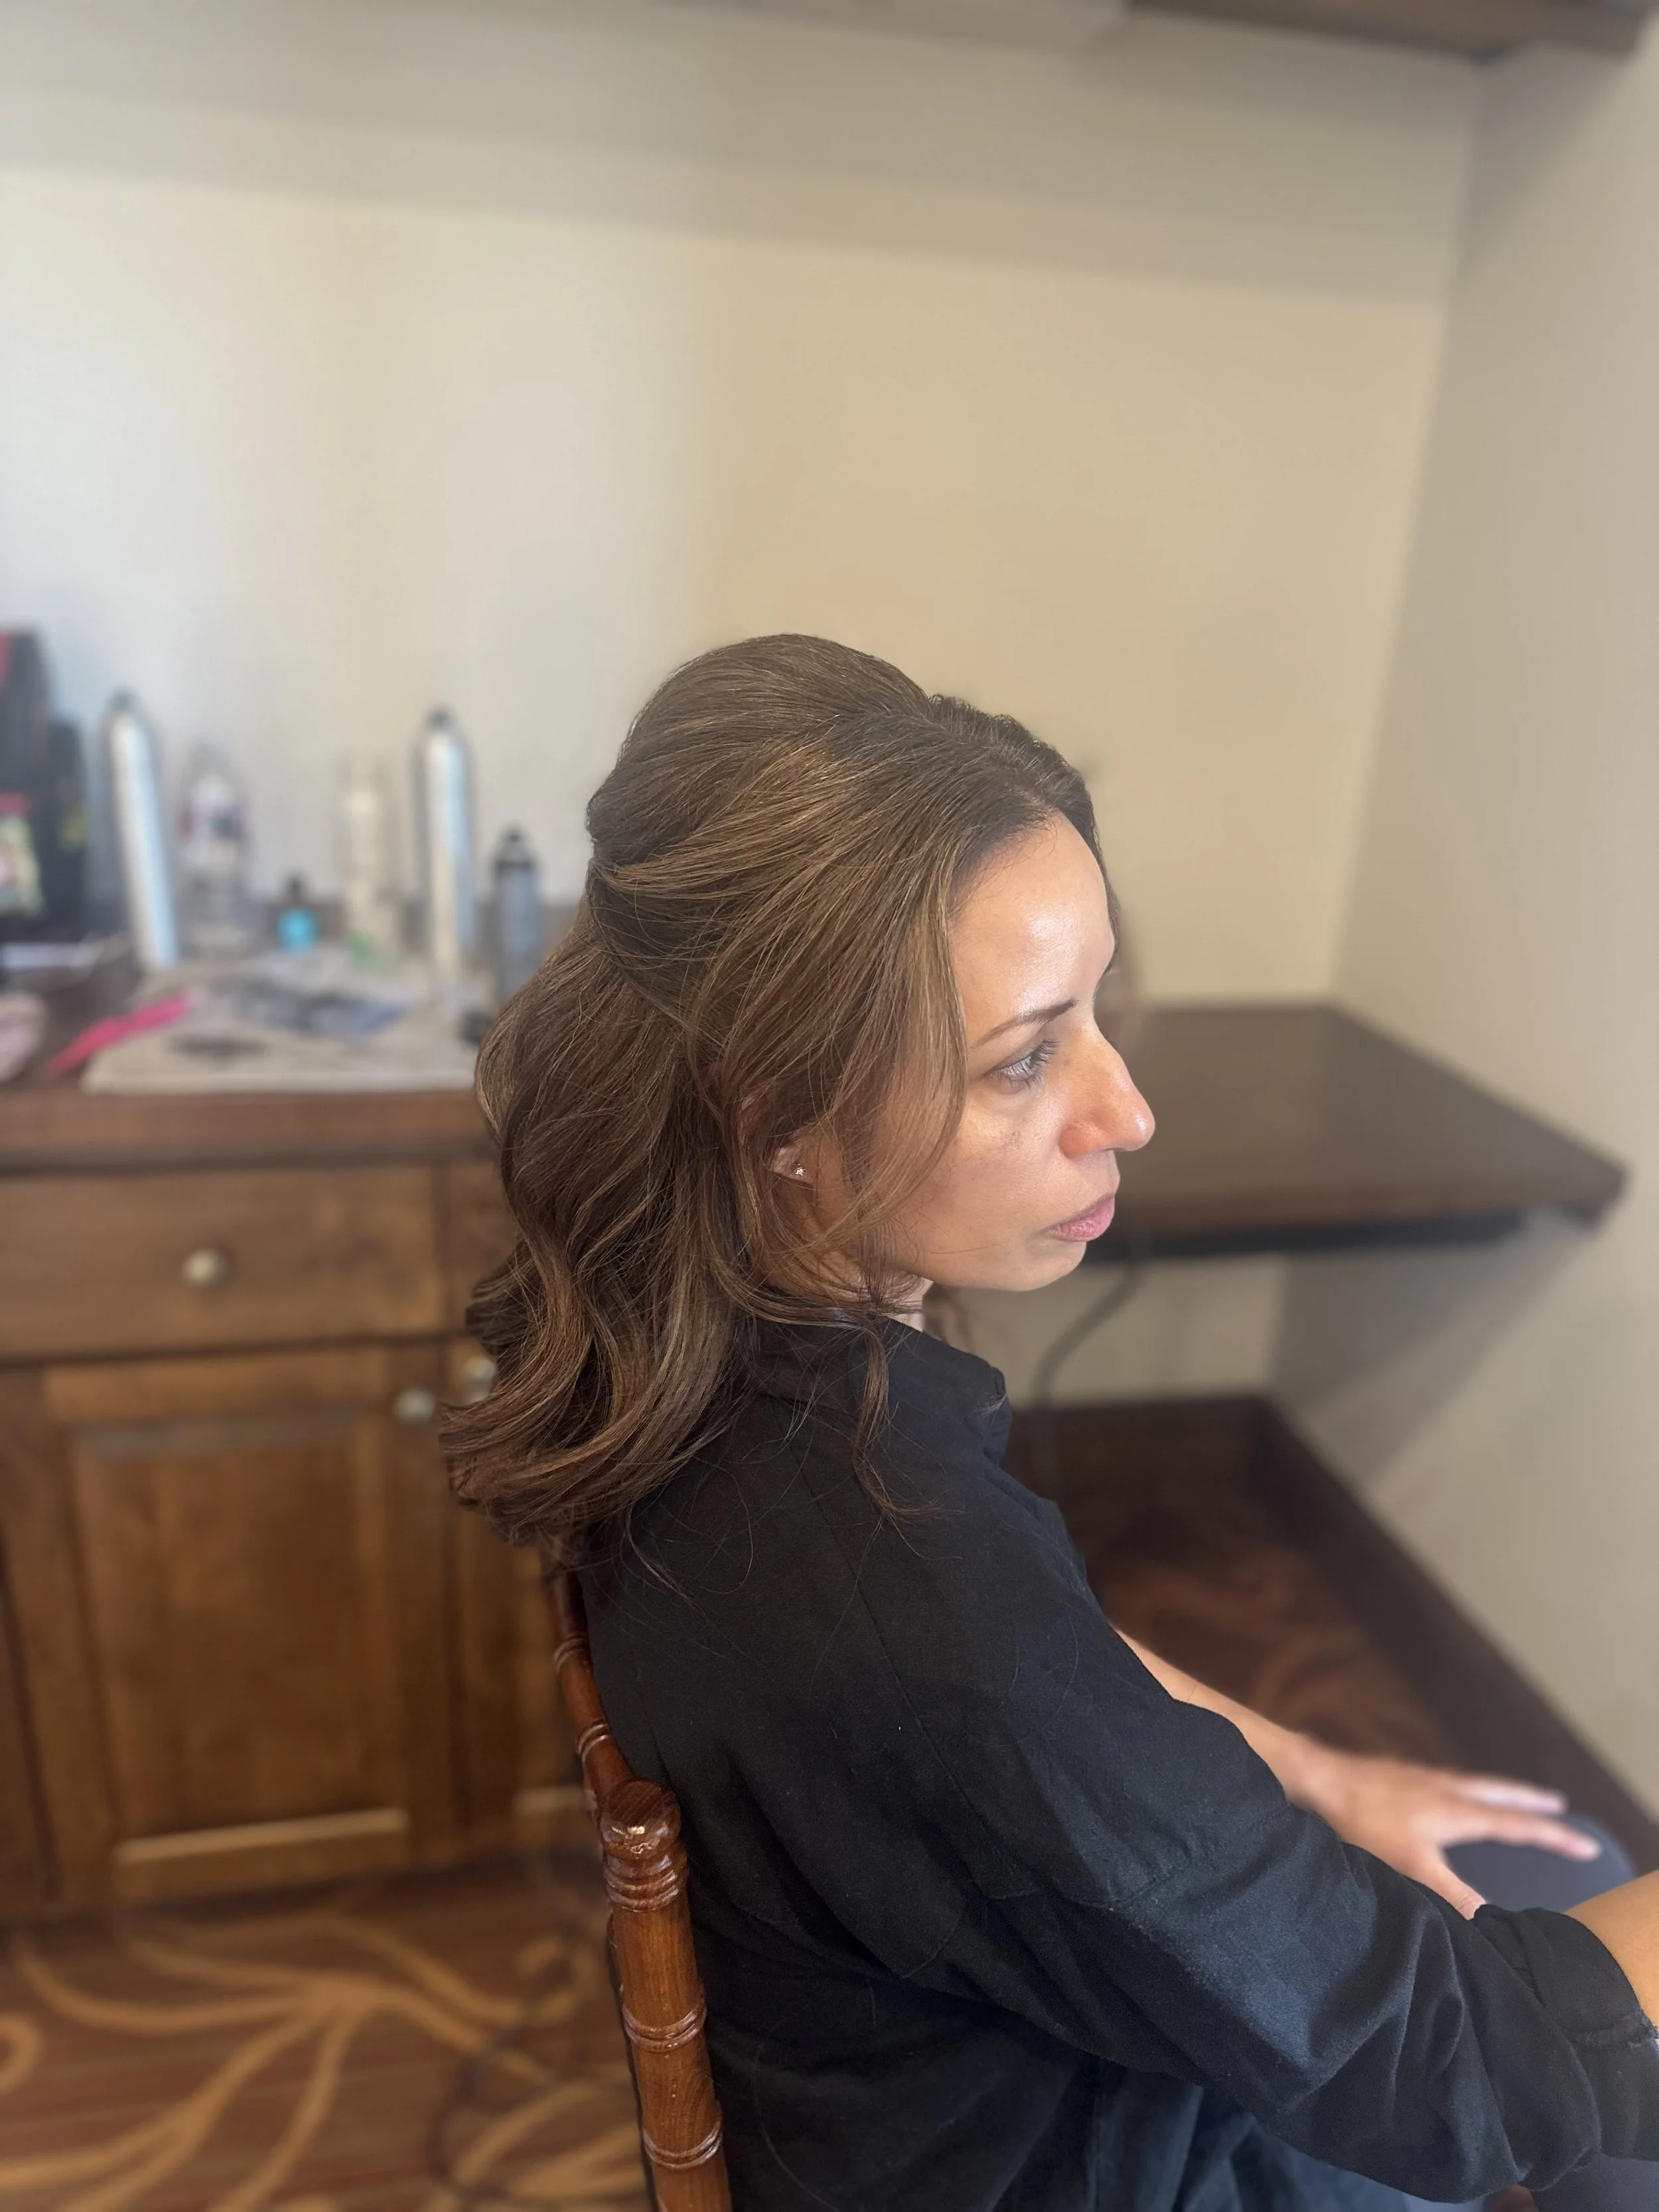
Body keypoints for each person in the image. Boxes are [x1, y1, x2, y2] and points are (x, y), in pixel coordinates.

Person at [441, 635, 1659, 2212]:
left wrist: (1308, 1770)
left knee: (1548, 1872)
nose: (1124, 1109)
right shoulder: (908, 1599)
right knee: (1594, 2024)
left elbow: (1042, 1677)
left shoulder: (672, 1340)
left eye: (1093, 1007)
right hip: (1075, 2161)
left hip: (887, 2074)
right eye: (1023, 1057)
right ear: (776, 1117)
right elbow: (1459, 2071)